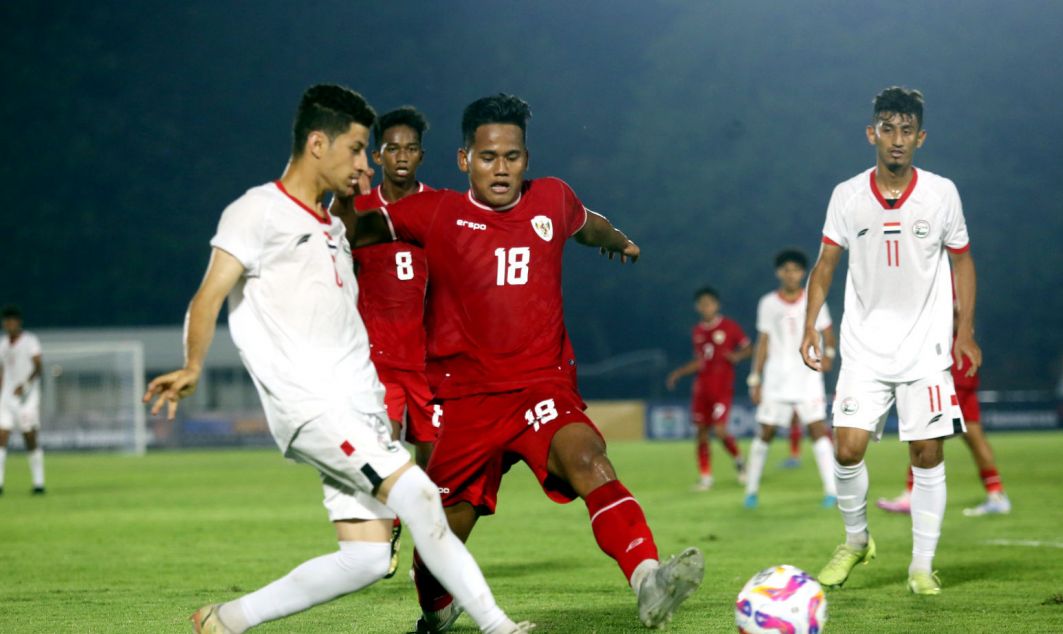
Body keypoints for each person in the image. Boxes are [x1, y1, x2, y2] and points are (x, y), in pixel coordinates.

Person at [144, 85, 529, 634]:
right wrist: (191, 365)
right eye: (355, 150)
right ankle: (499, 627)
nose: (364, 165)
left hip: (359, 406)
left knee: (366, 559)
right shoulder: (257, 211)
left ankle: (225, 621)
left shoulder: (331, 229)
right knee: (420, 495)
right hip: (314, 406)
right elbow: (207, 298)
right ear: (317, 144)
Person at [335, 93, 703, 632]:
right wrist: (339, 198)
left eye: (512, 156)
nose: (500, 168)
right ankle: (437, 608)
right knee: (440, 531)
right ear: (464, 160)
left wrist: (617, 239)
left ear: (527, 159)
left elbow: (588, 223)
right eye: (488, 157)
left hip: (541, 388)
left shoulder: (552, 200)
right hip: (465, 402)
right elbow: (356, 230)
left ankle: (647, 576)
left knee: (590, 459)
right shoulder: (435, 213)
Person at [800, 87, 980, 596]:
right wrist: (811, 322)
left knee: (926, 451)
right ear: (871, 133)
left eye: (906, 131)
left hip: (925, 349)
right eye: (887, 128)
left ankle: (921, 566)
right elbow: (826, 265)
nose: (896, 140)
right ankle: (856, 541)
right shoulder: (847, 195)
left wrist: (964, 330)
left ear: (920, 138)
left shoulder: (942, 193)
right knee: (847, 447)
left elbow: (962, 260)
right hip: (864, 347)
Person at [348, 106, 437, 579]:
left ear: (421, 154)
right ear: (378, 155)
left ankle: (422, 541)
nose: (401, 156)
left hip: (431, 361)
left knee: (437, 462)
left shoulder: (441, 207)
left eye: (410, 148)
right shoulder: (357, 210)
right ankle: (382, 535)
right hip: (378, 360)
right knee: (384, 453)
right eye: (392, 148)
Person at [877, 305, 1010, 516]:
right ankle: (996, 494)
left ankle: (912, 495)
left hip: (953, 368)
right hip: (957, 367)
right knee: (973, 437)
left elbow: (959, 318)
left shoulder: (949, 284)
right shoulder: (949, 283)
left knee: (926, 434)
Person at [744, 249, 837, 509]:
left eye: (795, 269)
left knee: (818, 429)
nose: (791, 274)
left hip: (807, 375)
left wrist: (828, 354)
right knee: (767, 431)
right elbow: (762, 342)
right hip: (776, 378)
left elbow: (828, 334)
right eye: (786, 269)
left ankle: (831, 491)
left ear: (803, 273)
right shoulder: (768, 303)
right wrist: (755, 378)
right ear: (778, 273)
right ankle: (751, 491)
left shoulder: (814, 300)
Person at [665, 287, 752, 490]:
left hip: (721, 388)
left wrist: (738, 356)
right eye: (702, 304)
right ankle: (706, 477)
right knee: (701, 433)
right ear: (697, 307)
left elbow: (749, 347)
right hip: (701, 389)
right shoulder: (697, 331)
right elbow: (700, 361)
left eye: (709, 303)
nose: (706, 307)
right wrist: (678, 373)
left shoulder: (730, 327)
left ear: (717, 305)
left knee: (720, 431)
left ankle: (739, 461)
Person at [0, 305, 45, 496]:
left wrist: (24, 385)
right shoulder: (2, 344)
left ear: (18, 322)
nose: (9, 324)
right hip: (6, 398)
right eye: (6, 321)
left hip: (27, 399)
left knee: (30, 439)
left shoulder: (30, 341)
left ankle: (38, 483)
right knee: (1, 438)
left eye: (12, 321)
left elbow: (38, 367)